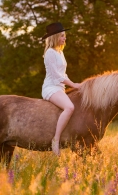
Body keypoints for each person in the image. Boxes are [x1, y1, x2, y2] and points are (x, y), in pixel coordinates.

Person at [41, 22, 81, 156]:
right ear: (56, 37)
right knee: (70, 107)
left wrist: (73, 83)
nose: (65, 38)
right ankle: (56, 139)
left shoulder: (60, 52)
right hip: (51, 87)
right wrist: (73, 85)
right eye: (62, 36)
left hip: (60, 87)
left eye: (65, 36)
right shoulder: (50, 53)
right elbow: (56, 76)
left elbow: (63, 73)